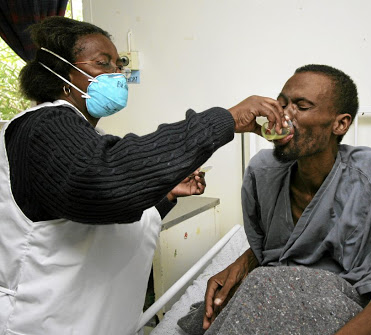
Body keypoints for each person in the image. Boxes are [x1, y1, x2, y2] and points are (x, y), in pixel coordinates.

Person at [0, 16, 287, 335]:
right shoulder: (42, 127)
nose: (117, 73)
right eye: (102, 63)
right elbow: (105, 183)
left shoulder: (87, 140)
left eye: (118, 63)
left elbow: (100, 224)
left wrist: (165, 195)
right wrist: (226, 119)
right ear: (62, 75)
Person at [202, 64, 371, 334]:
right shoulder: (262, 171)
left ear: (340, 123)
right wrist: (243, 264)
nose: (283, 115)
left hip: (339, 300)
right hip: (273, 290)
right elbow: (272, 249)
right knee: (256, 286)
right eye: (280, 104)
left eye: (301, 106)